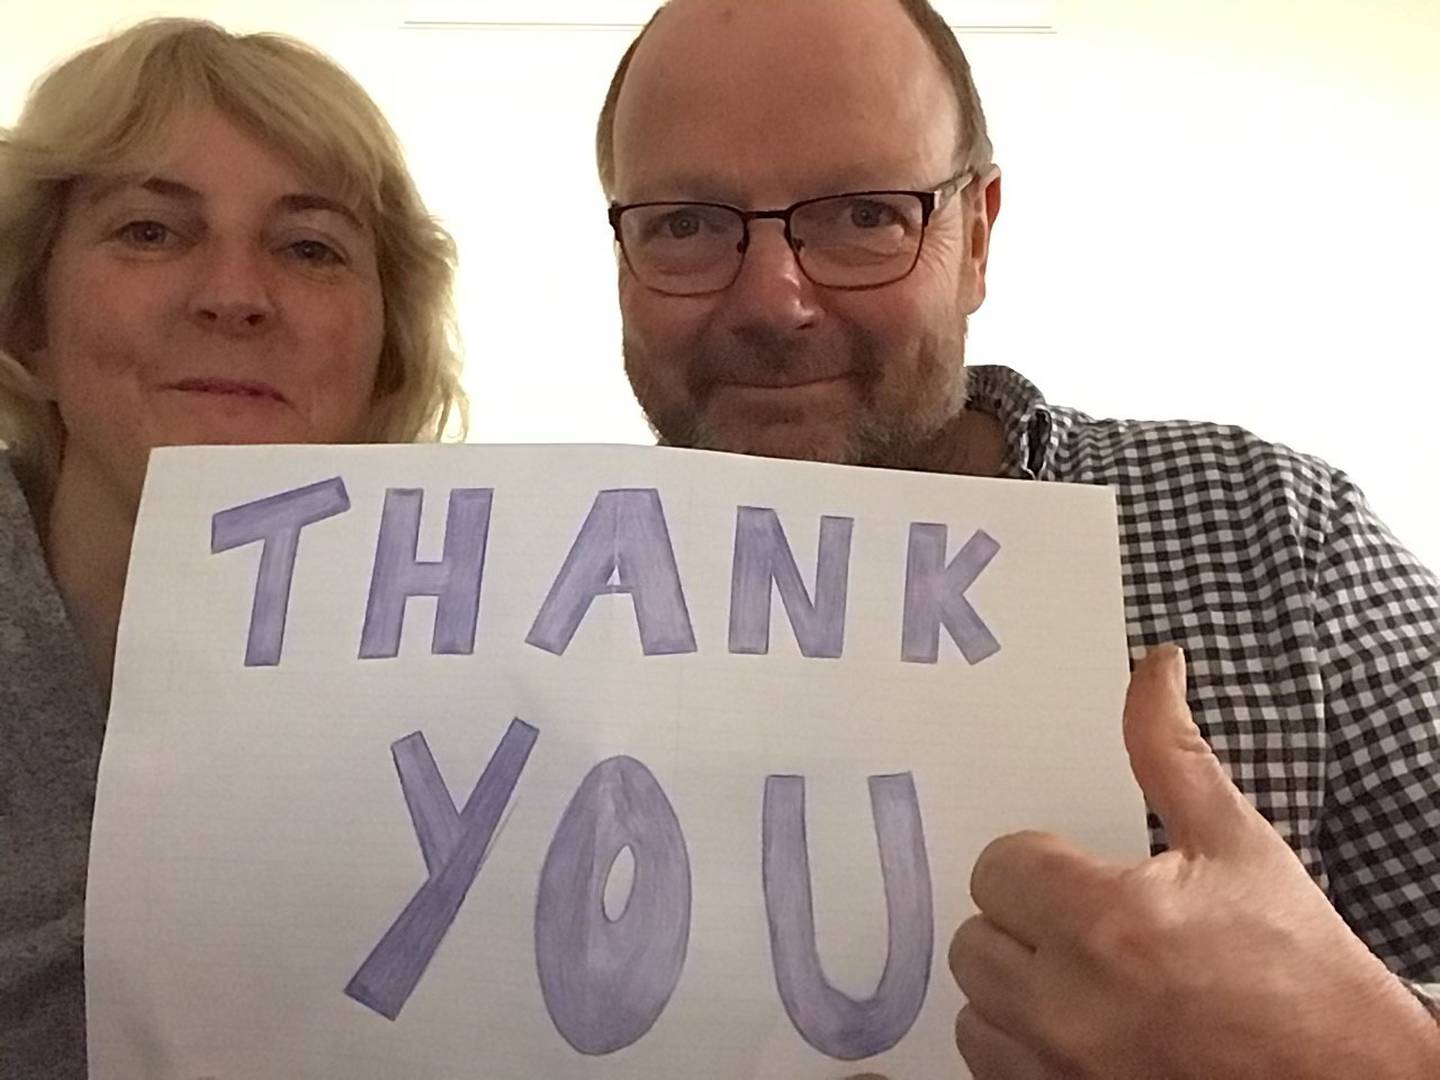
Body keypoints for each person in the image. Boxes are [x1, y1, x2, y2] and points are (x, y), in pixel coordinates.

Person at [595, 0, 1440, 1075]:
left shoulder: (1278, 535)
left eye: (863, 213)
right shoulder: (495, 625)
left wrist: (1372, 1052)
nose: (776, 300)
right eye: (686, 222)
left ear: (977, 236)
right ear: (623, 258)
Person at [0, 19, 465, 1078]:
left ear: (385, 354)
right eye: (151, 232)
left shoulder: (511, 688)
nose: (235, 294)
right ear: (30, 314)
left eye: (309, 247)